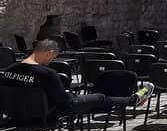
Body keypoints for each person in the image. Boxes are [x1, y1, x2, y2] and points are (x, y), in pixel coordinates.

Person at [0, 39, 153, 120]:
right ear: (49, 53)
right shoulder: (47, 74)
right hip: (46, 115)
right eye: (53, 57)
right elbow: (65, 103)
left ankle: (123, 101)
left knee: (93, 100)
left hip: (17, 115)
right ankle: (134, 99)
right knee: (100, 97)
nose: (52, 60)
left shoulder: (8, 71)